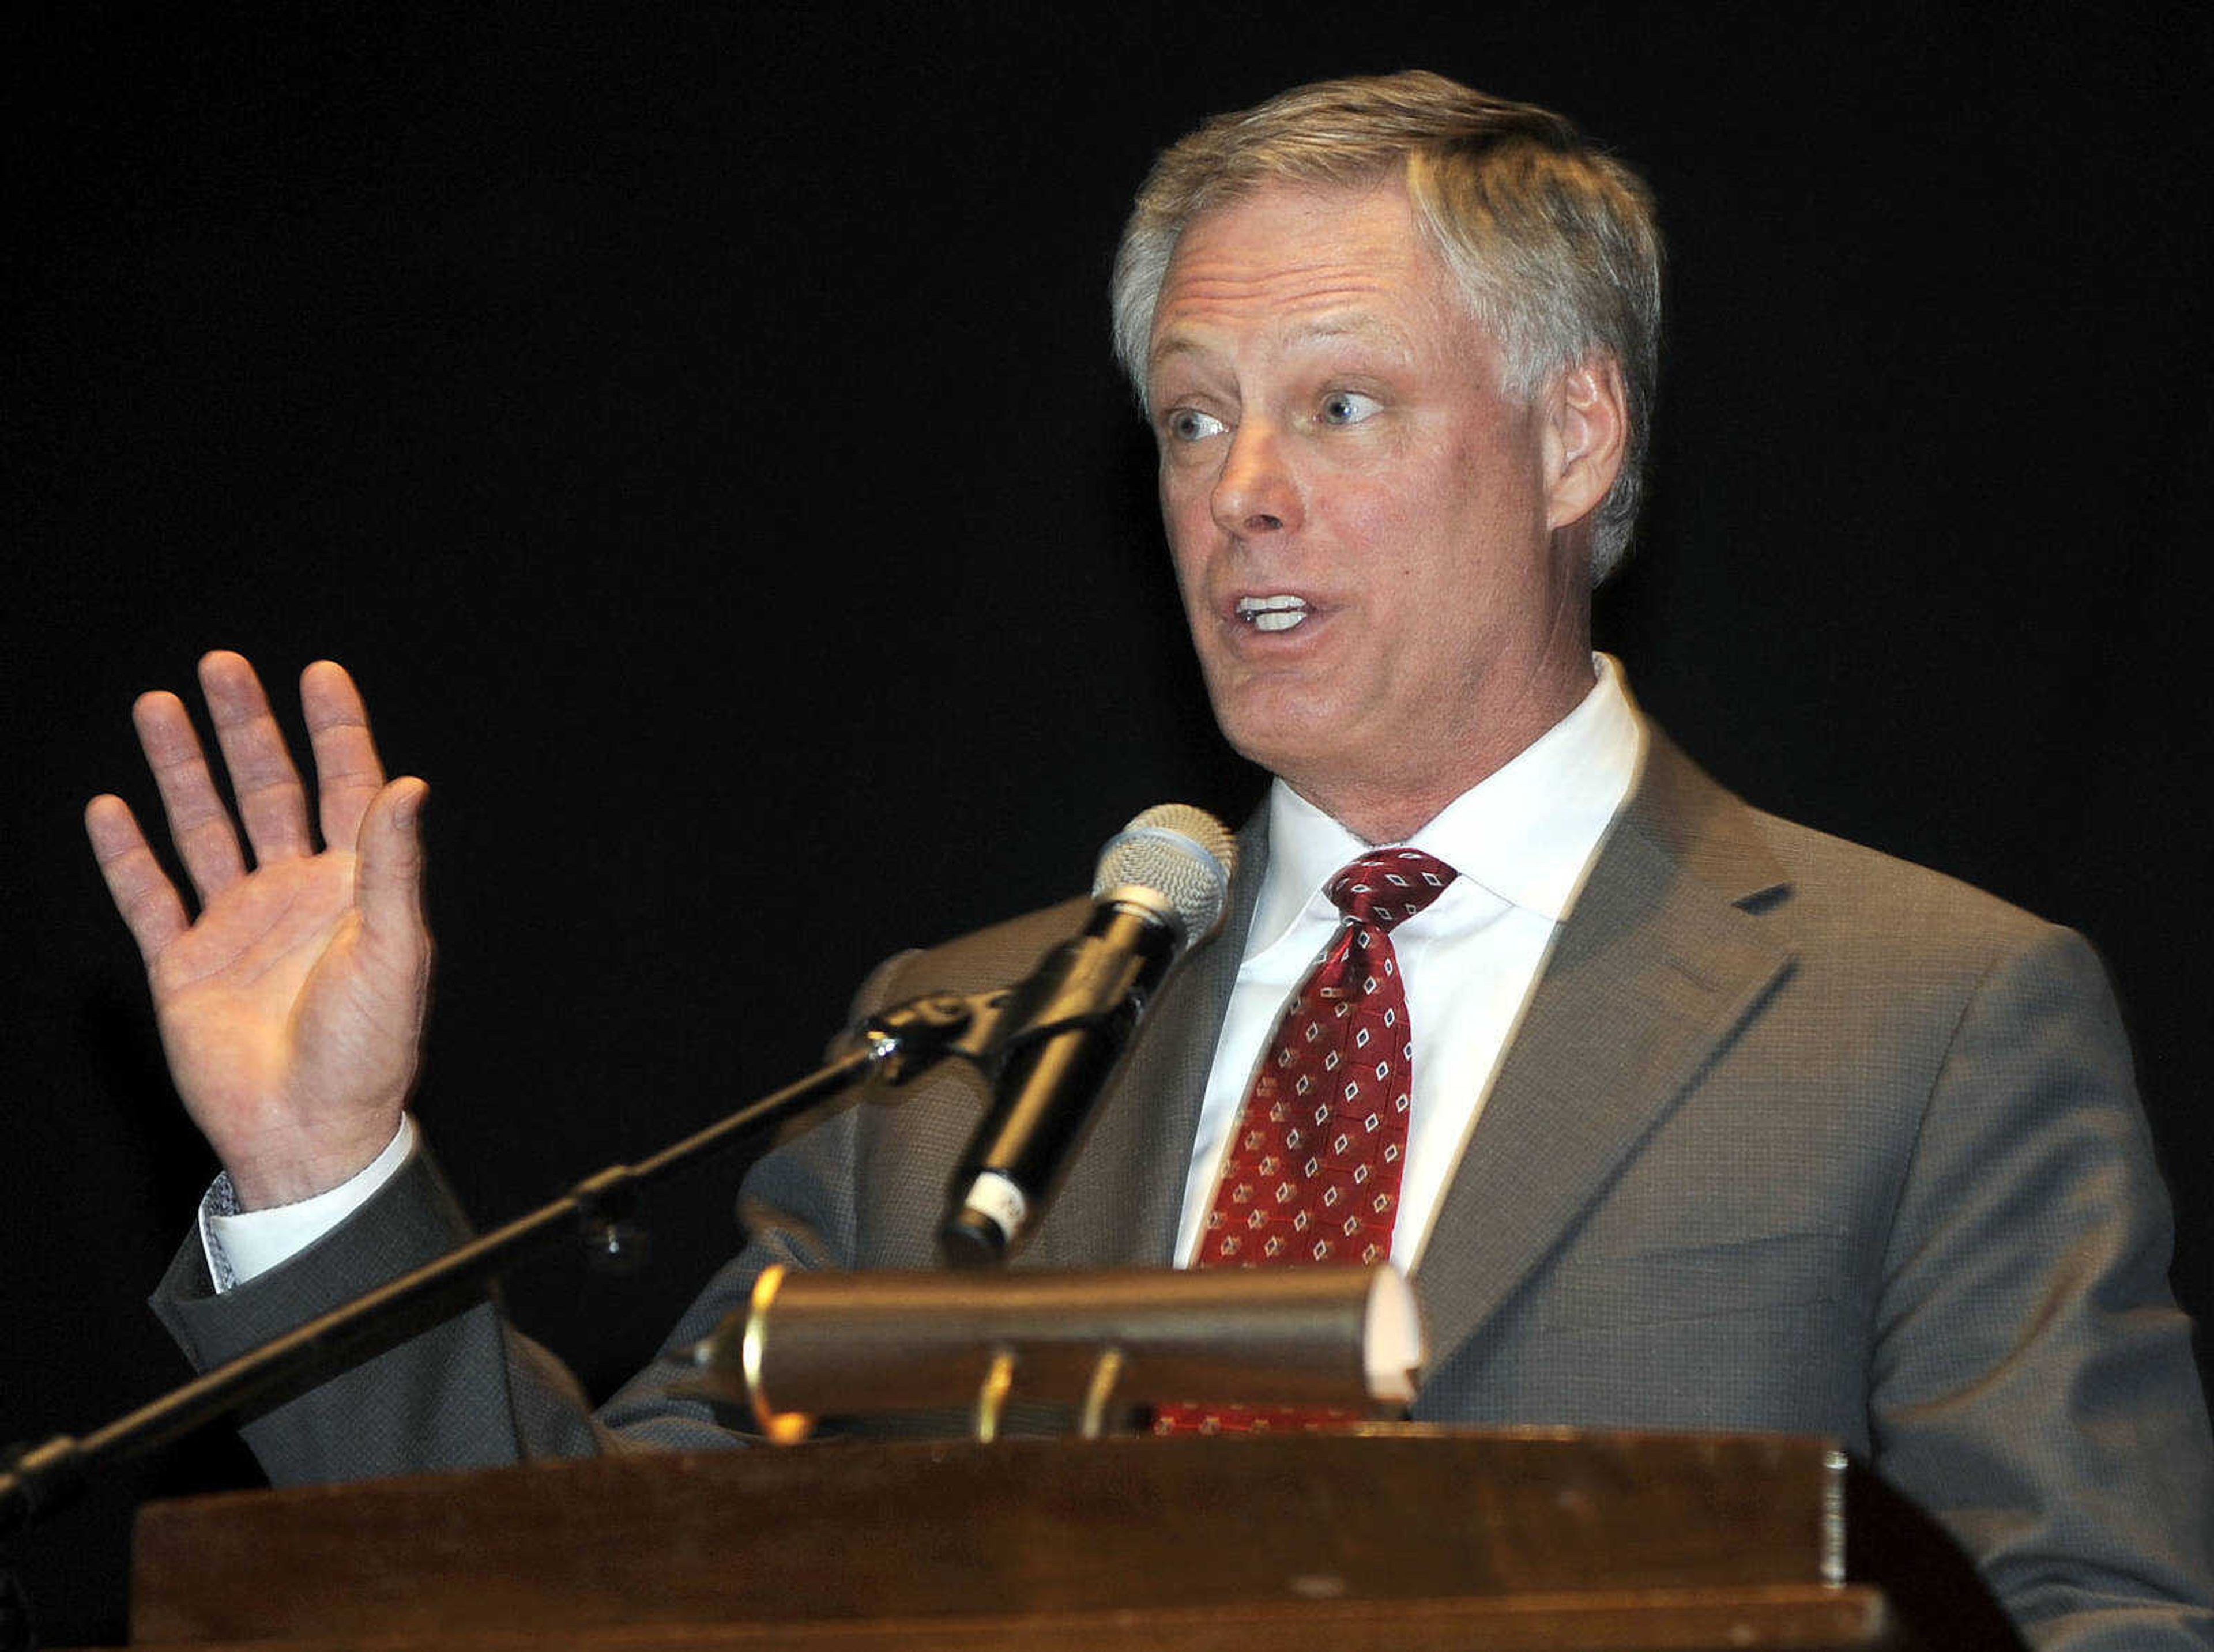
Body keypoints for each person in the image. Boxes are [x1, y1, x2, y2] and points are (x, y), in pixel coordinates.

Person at [88, 71, 2212, 1645]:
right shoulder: (959, 1056)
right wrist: (325, 1177)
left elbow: (2099, 1618)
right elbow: (585, 1595)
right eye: (1195, 420)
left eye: (1345, 407)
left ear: (1578, 438)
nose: (1244, 493)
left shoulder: (1921, 1016)